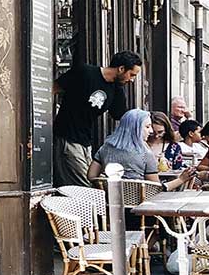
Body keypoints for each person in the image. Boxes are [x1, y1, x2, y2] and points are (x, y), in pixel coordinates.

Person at [53, 50, 142, 187]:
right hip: (67, 136)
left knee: (92, 181)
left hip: (86, 141)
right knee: (86, 185)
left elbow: (120, 116)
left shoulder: (116, 90)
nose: (132, 79)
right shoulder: (85, 72)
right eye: (132, 74)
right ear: (121, 68)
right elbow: (54, 88)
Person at [87, 109, 193, 190]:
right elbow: (156, 188)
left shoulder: (105, 148)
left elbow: (91, 176)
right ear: (135, 129)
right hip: (141, 211)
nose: (151, 131)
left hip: (109, 207)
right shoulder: (146, 154)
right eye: (147, 127)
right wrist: (181, 179)